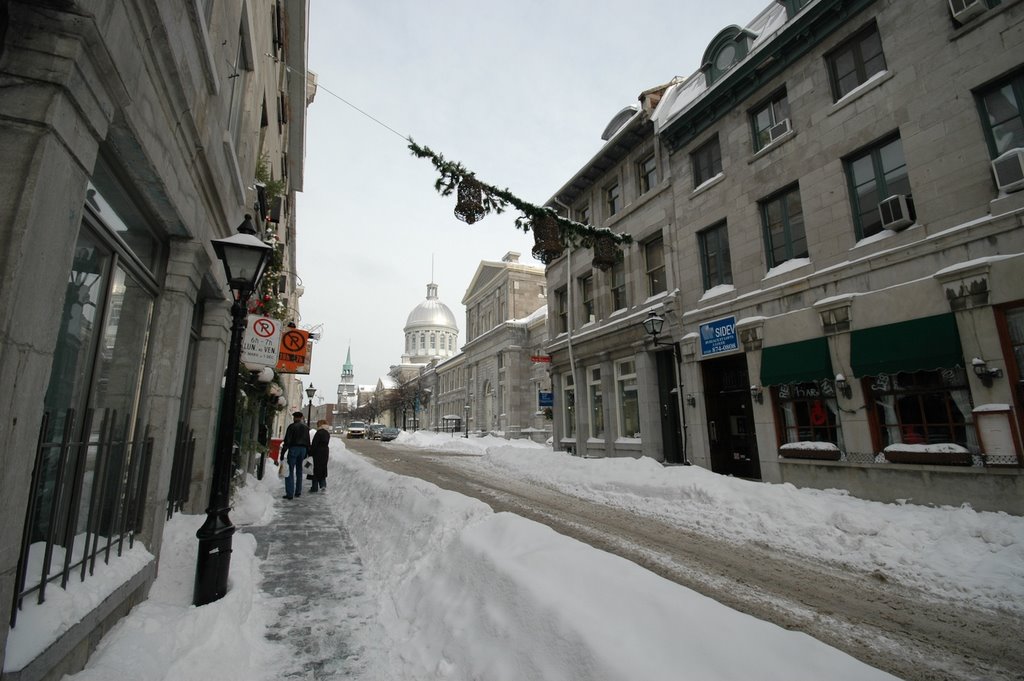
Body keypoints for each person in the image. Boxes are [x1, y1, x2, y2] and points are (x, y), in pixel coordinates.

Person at [281, 411, 311, 499]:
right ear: (301, 418)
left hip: (294, 448)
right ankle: (298, 491)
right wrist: (308, 453)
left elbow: (287, 440)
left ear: (294, 418)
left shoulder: (291, 427)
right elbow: (308, 441)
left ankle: (290, 493)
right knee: (299, 470)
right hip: (303, 450)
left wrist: (283, 453)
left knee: (289, 470)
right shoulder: (306, 428)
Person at [308, 419, 331, 493]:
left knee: (315, 469)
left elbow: (314, 444)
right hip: (325, 452)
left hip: (317, 453)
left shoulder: (319, 433)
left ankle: (314, 487)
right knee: (323, 468)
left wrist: (310, 452)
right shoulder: (327, 433)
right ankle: (323, 485)